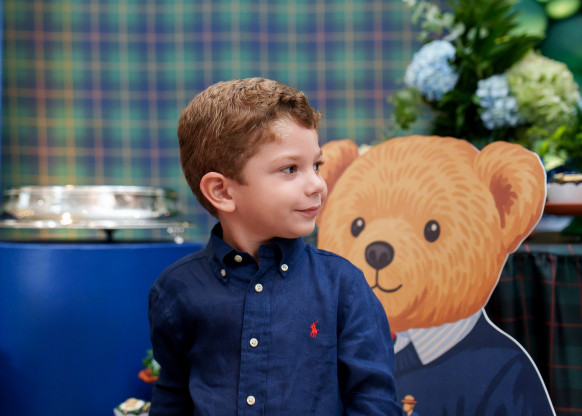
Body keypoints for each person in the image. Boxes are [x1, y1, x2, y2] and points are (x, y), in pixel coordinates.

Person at [148, 77, 402, 415]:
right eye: (290, 169)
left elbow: (375, 402)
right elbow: (172, 397)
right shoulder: (176, 289)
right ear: (222, 191)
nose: (316, 185)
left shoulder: (343, 285)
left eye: (316, 165)